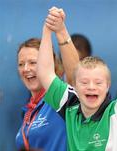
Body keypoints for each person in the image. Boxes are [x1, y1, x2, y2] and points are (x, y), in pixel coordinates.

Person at [37, 14, 117, 150]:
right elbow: (44, 73)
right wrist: (47, 30)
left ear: (108, 86)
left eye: (98, 82)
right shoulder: (69, 105)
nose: (91, 87)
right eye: (84, 82)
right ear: (74, 85)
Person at [15, 7, 79, 151]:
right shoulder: (27, 111)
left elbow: (76, 76)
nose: (26, 69)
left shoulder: (60, 99)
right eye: (21, 64)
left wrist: (61, 32)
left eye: (33, 62)